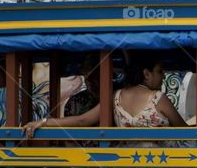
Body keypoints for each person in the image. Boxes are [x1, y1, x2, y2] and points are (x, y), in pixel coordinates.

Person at [22, 52, 186, 138]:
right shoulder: (158, 98)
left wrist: (43, 122)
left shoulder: (116, 96)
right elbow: (186, 132)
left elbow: (82, 121)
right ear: (147, 74)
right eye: (160, 71)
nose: (163, 76)